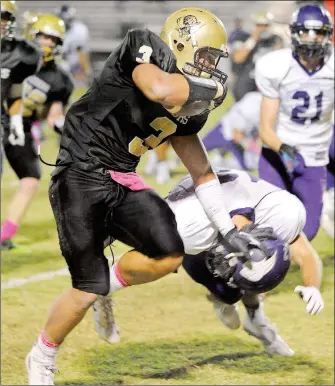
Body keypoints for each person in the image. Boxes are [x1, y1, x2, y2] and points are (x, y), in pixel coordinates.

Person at [25, 8, 272, 385]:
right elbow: (159, 89)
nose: (211, 68)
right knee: (83, 290)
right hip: (79, 174)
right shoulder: (143, 46)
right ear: (180, 44)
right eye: (206, 57)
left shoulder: (191, 109)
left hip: (122, 179)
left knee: (169, 250)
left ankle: (108, 284)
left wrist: (226, 231)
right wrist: (212, 89)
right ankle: (42, 356)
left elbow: (201, 172)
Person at [96, 168, 324, 355]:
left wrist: (313, 286)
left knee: (250, 268)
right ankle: (104, 285)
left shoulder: (283, 217)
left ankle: (255, 317)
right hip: (197, 211)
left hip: (227, 212)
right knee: (168, 259)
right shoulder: (190, 225)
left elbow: (305, 254)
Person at [256, 4, 334, 242]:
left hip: (315, 156)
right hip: (279, 152)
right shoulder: (275, 66)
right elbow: (264, 129)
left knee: (307, 232)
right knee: (269, 222)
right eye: (306, 32)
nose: (311, 39)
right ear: (293, 32)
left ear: (328, 34)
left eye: (318, 32)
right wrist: (284, 149)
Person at [1, 14, 74, 251]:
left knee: (31, 178)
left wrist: (66, 127)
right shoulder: (15, 55)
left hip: (20, 127)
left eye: (53, 39)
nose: (48, 43)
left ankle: (4, 235)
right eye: (44, 36)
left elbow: (53, 115)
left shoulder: (60, 79)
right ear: (33, 34)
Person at [1, 0, 41, 210]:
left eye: (4, 17)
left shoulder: (17, 54)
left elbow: (14, 90)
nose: (0, 22)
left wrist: (16, 119)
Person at [201, 90, 261, 171]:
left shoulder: (257, 100)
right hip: (225, 131)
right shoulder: (253, 103)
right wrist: (253, 147)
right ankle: (218, 158)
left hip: (236, 134)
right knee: (198, 149)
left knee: (246, 165)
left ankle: (219, 160)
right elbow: (237, 134)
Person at [230, 11, 283, 101]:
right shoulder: (243, 37)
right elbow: (237, 58)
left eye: (265, 25)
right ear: (254, 25)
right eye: (259, 25)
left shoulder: (275, 39)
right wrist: (252, 40)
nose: (262, 28)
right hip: (246, 80)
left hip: (266, 80)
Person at [56, 4, 92, 87]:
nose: (64, 21)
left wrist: (85, 68)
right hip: (60, 63)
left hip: (75, 65)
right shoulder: (55, 29)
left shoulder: (79, 30)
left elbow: (81, 52)